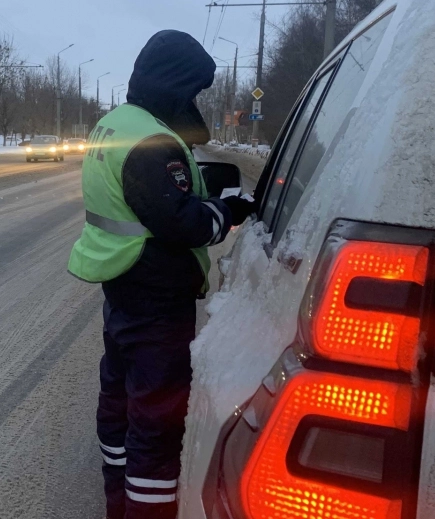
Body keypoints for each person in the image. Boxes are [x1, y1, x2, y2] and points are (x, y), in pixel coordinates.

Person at [68, 30, 255, 519]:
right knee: (156, 422)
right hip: (156, 300)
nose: (193, 101)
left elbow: (147, 199)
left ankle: (118, 499)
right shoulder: (154, 142)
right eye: (191, 90)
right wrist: (228, 211)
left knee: (120, 403)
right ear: (174, 85)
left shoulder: (115, 124)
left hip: (124, 289)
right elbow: (182, 222)